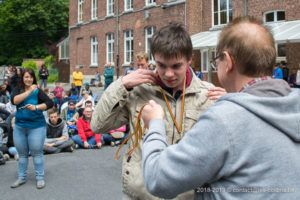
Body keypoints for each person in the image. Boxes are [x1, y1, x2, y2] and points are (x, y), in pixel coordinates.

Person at [141, 16, 300, 200]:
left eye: (217, 61)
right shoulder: (293, 105)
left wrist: (154, 124)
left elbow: (157, 179)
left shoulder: (224, 120)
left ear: (228, 61)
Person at [91, 23, 224, 200]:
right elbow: (98, 125)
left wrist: (233, 106)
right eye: (161, 65)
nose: (168, 74)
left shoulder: (209, 95)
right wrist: (121, 85)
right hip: (140, 195)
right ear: (153, 58)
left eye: (176, 66)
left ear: (190, 59)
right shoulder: (138, 89)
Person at [10, 68, 53, 189]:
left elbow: (50, 103)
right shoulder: (18, 89)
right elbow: (14, 101)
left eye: (31, 77)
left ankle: (40, 177)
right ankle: (21, 177)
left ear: (34, 78)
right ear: (22, 78)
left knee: (36, 152)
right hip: (20, 126)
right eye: (26, 77)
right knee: (22, 154)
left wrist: (36, 107)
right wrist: (29, 91)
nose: (29, 79)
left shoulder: (38, 91)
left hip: (36, 126)